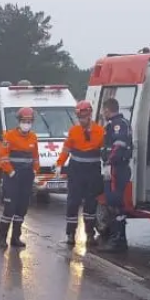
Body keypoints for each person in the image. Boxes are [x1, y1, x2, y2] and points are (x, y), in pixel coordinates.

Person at [55, 100, 105, 246]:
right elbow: (66, 149)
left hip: (92, 173)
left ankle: (90, 234)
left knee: (91, 205)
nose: (81, 120)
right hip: (76, 171)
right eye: (79, 118)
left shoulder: (100, 131)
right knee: (72, 203)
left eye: (83, 117)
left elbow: (105, 151)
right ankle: (70, 234)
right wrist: (59, 164)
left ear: (89, 115)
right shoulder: (74, 131)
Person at [0, 106, 40, 249]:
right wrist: (10, 172)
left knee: (22, 209)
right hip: (12, 177)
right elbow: (3, 156)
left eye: (29, 121)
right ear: (19, 121)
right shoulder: (9, 136)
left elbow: (35, 158)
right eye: (24, 121)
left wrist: (35, 172)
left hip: (26, 178)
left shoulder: (33, 137)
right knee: (9, 208)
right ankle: (2, 238)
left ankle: (16, 237)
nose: (26, 123)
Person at [98, 97, 133, 252]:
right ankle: (120, 239)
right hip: (116, 168)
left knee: (114, 203)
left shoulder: (117, 125)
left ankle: (116, 239)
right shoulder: (119, 124)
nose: (103, 113)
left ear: (107, 109)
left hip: (116, 168)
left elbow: (118, 147)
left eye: (103, 110)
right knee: (115, 203)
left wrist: (108, 161)